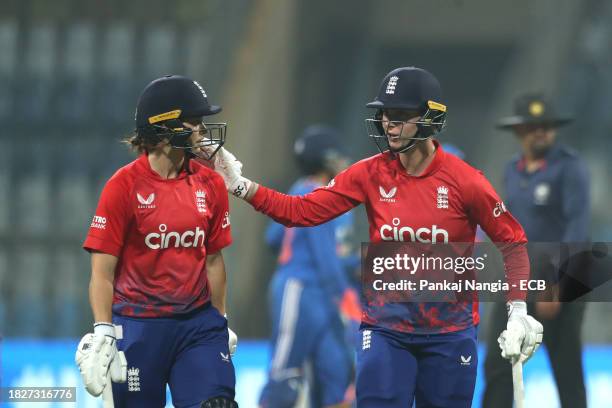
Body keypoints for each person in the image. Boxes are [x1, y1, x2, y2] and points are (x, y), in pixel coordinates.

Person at [209, 67, 543, 407]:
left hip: (450, 334)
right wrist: (240, 186)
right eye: (384, 114)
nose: (388, 123)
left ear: (430, 118)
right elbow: (301, 212)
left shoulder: (466, 181)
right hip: (386, 330)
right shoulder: (369, 173)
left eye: (400, 115)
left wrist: (517, 310)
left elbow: (512, 241)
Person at [75, 75, 239, 408]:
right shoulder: (123, 187)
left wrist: (220, 319)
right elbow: (102, 272)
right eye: (194, 122)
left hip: (197, 326)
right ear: (165, 129)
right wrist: (104, 329)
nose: (203, 131)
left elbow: (213, 260)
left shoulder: (211, 184)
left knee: (216, 405)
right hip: (137, 328)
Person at [482, 93, 590, 408]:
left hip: (559, 285)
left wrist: (557, 285)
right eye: (533, 127)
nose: (541, 132)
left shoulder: (570, 168)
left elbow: (577, 230)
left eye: (546, 126)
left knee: (566, 368)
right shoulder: (511, 171)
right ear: (518, 131)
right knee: (498, 367)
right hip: (517, 282)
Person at [258, 125, 361, 408]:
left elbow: (272, 237)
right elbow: (327, 258)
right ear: (327, 159)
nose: (344, 163)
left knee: (334, 376)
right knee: (285, 374)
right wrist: (347, 295)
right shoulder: (322, 195)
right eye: (339, 158)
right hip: (302, 290)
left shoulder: (300, 189)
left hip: (318, 293)